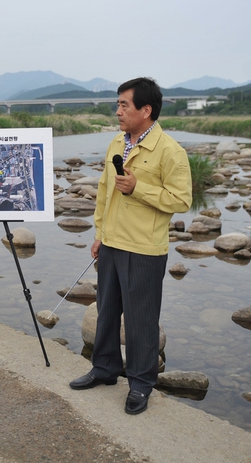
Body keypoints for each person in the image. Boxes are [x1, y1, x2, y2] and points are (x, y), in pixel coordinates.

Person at [69, 77, 191, 415]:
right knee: (106, 310)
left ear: (146, 110)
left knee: (141, 319)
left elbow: (181, 200)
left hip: (145, 248)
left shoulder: (170, 151)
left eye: (125, 104)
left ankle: (140, 383)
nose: (118, 110)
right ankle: (105, 368)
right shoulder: (116, 143)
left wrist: (139, 187)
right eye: (118, 104)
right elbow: (105, 189)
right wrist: (98, 233)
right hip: (111, 242)